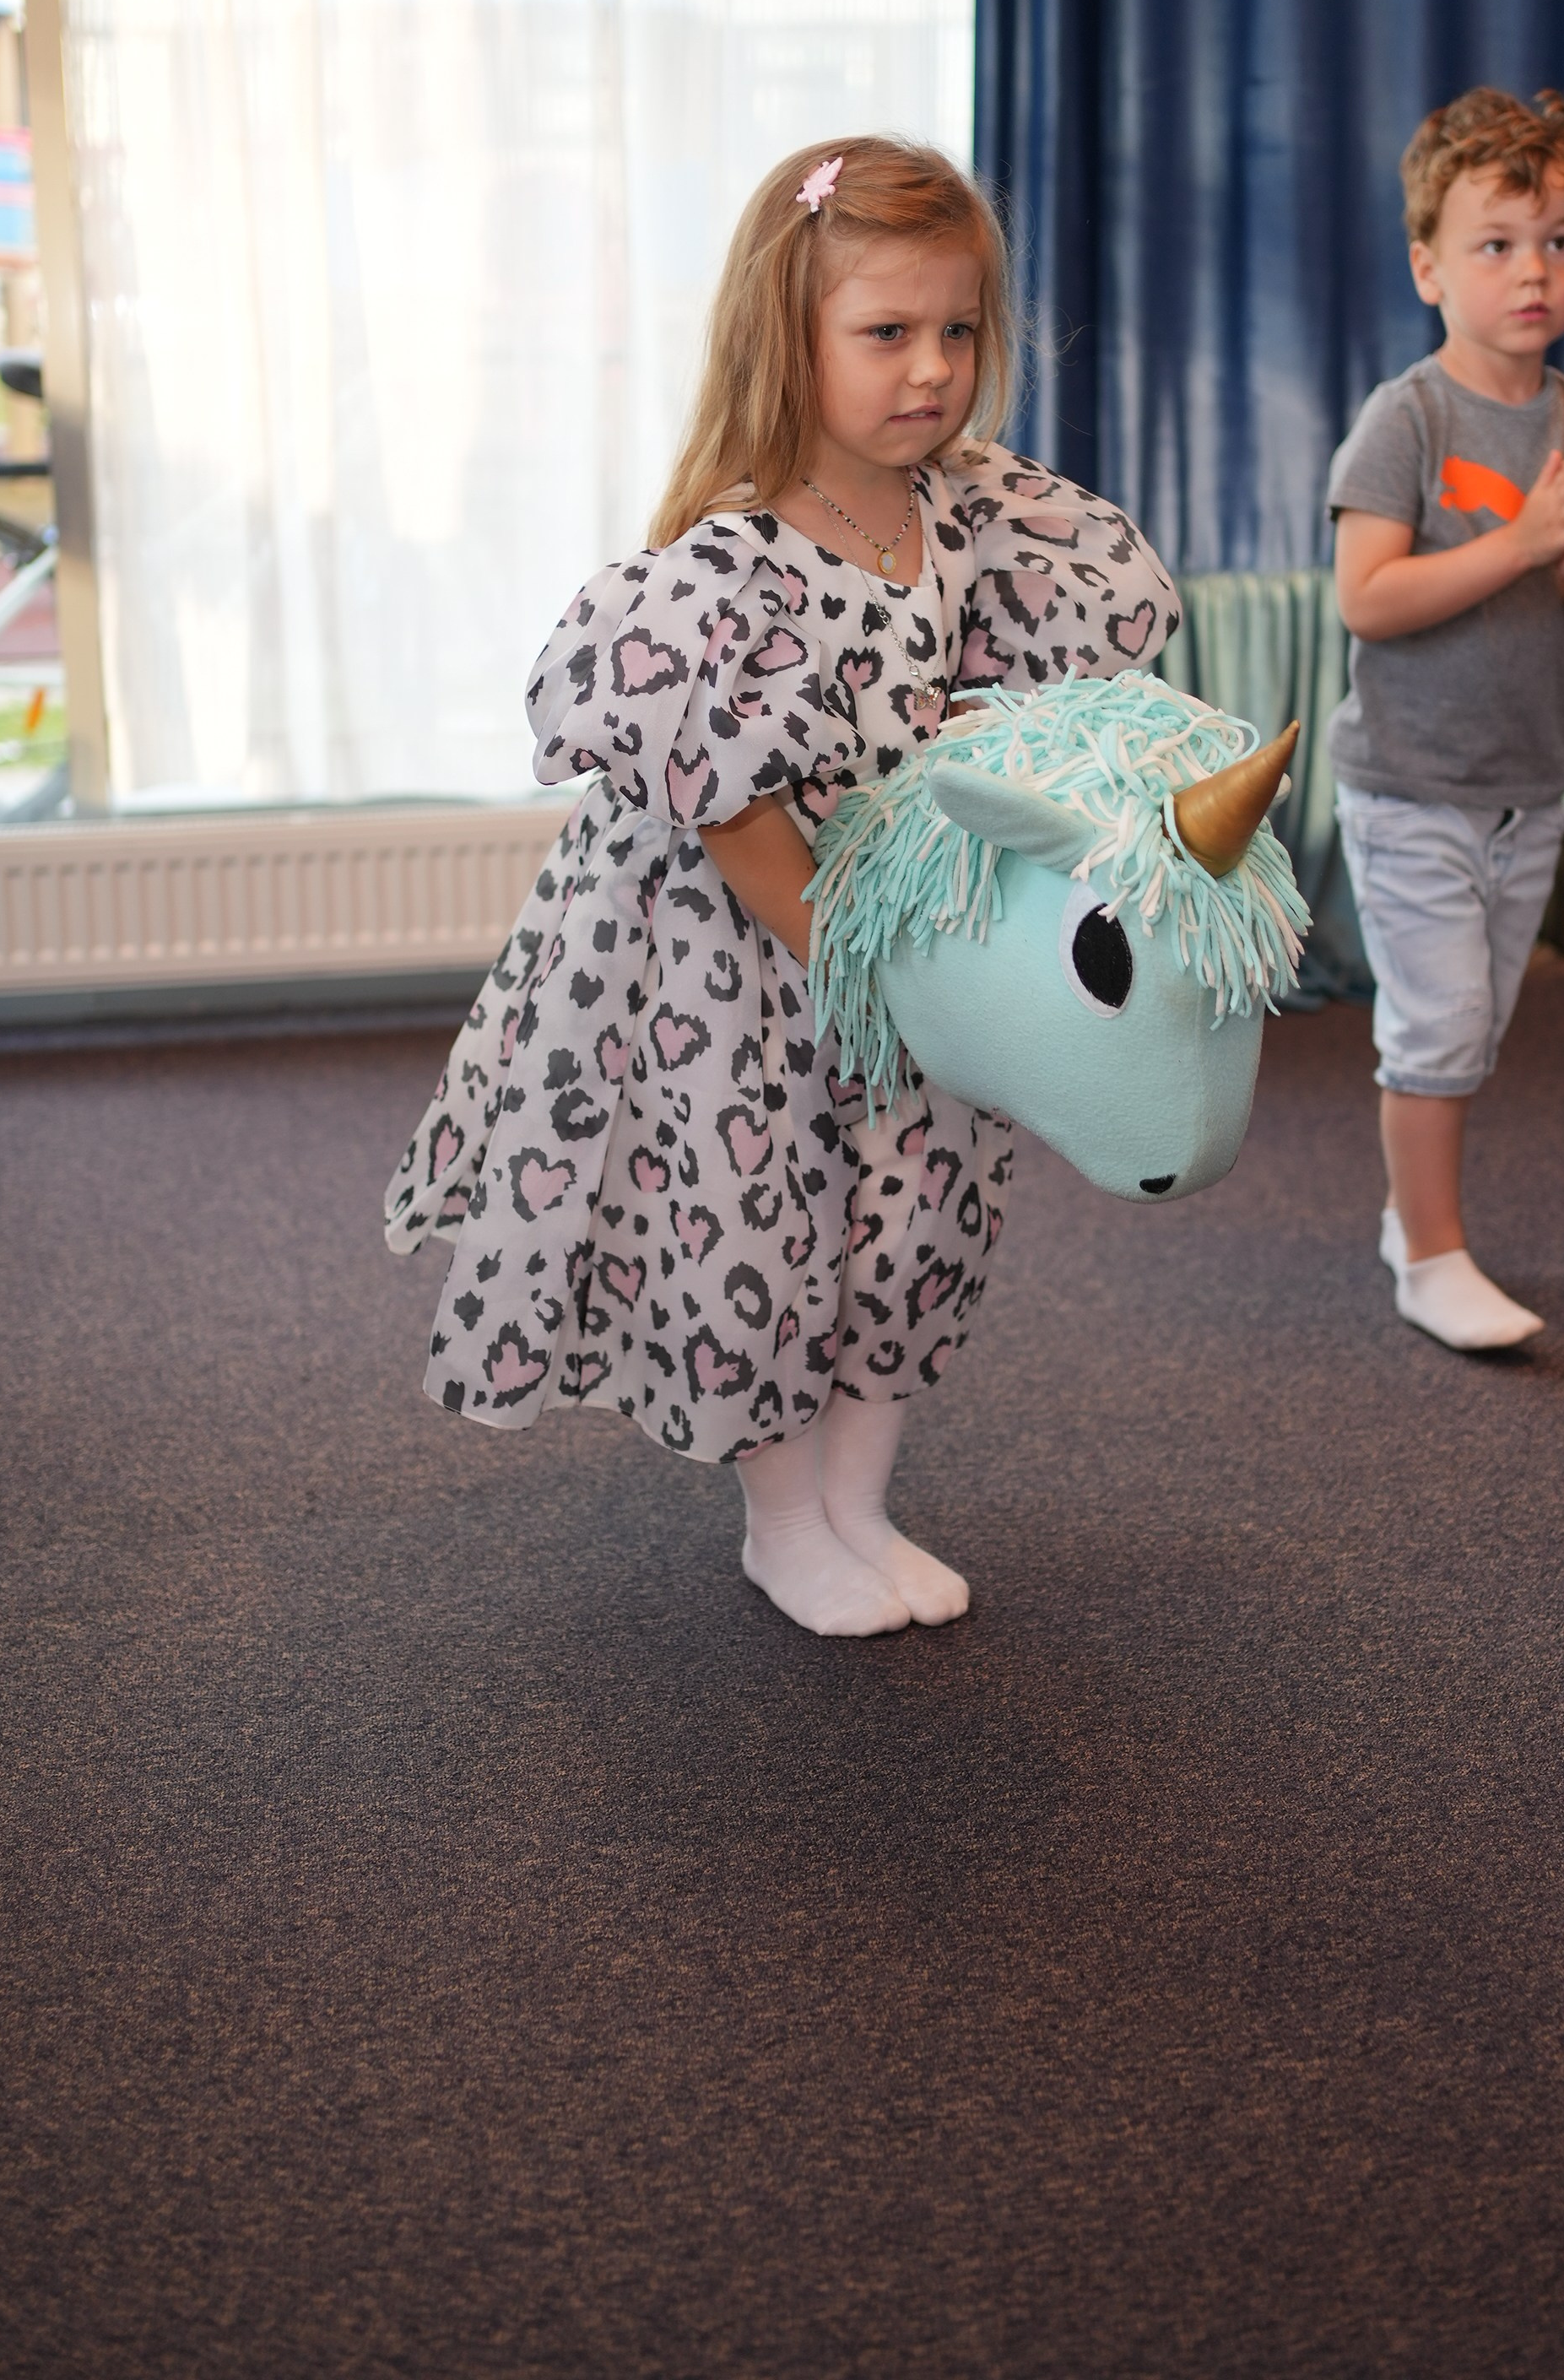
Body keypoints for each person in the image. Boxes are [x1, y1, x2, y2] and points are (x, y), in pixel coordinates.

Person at [385, 137, 1177, 1634]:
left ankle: (859, 1506)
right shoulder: (732, 560)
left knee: (918, 1221)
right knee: (767, 1233)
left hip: (913, 946)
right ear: (787, 337)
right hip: (755, 961)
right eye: (886, 333)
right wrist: (847, 962)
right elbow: (736, 815)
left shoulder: (976, 512)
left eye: (957, 330)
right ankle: (787, 1525)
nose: (931, 368)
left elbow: (1008, 702)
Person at [1327, 88, 1564, 1352]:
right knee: (1442, 1027)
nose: (1534, 271)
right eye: (1498, 244)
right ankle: (1434, 1258)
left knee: (1475, 1029)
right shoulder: (1407, 418)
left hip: (1530, 790)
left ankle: (1409, 1218)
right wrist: (1518, 542)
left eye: (1561, 241)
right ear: (1430, 268)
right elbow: (1368, 598)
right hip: (1410, 784)